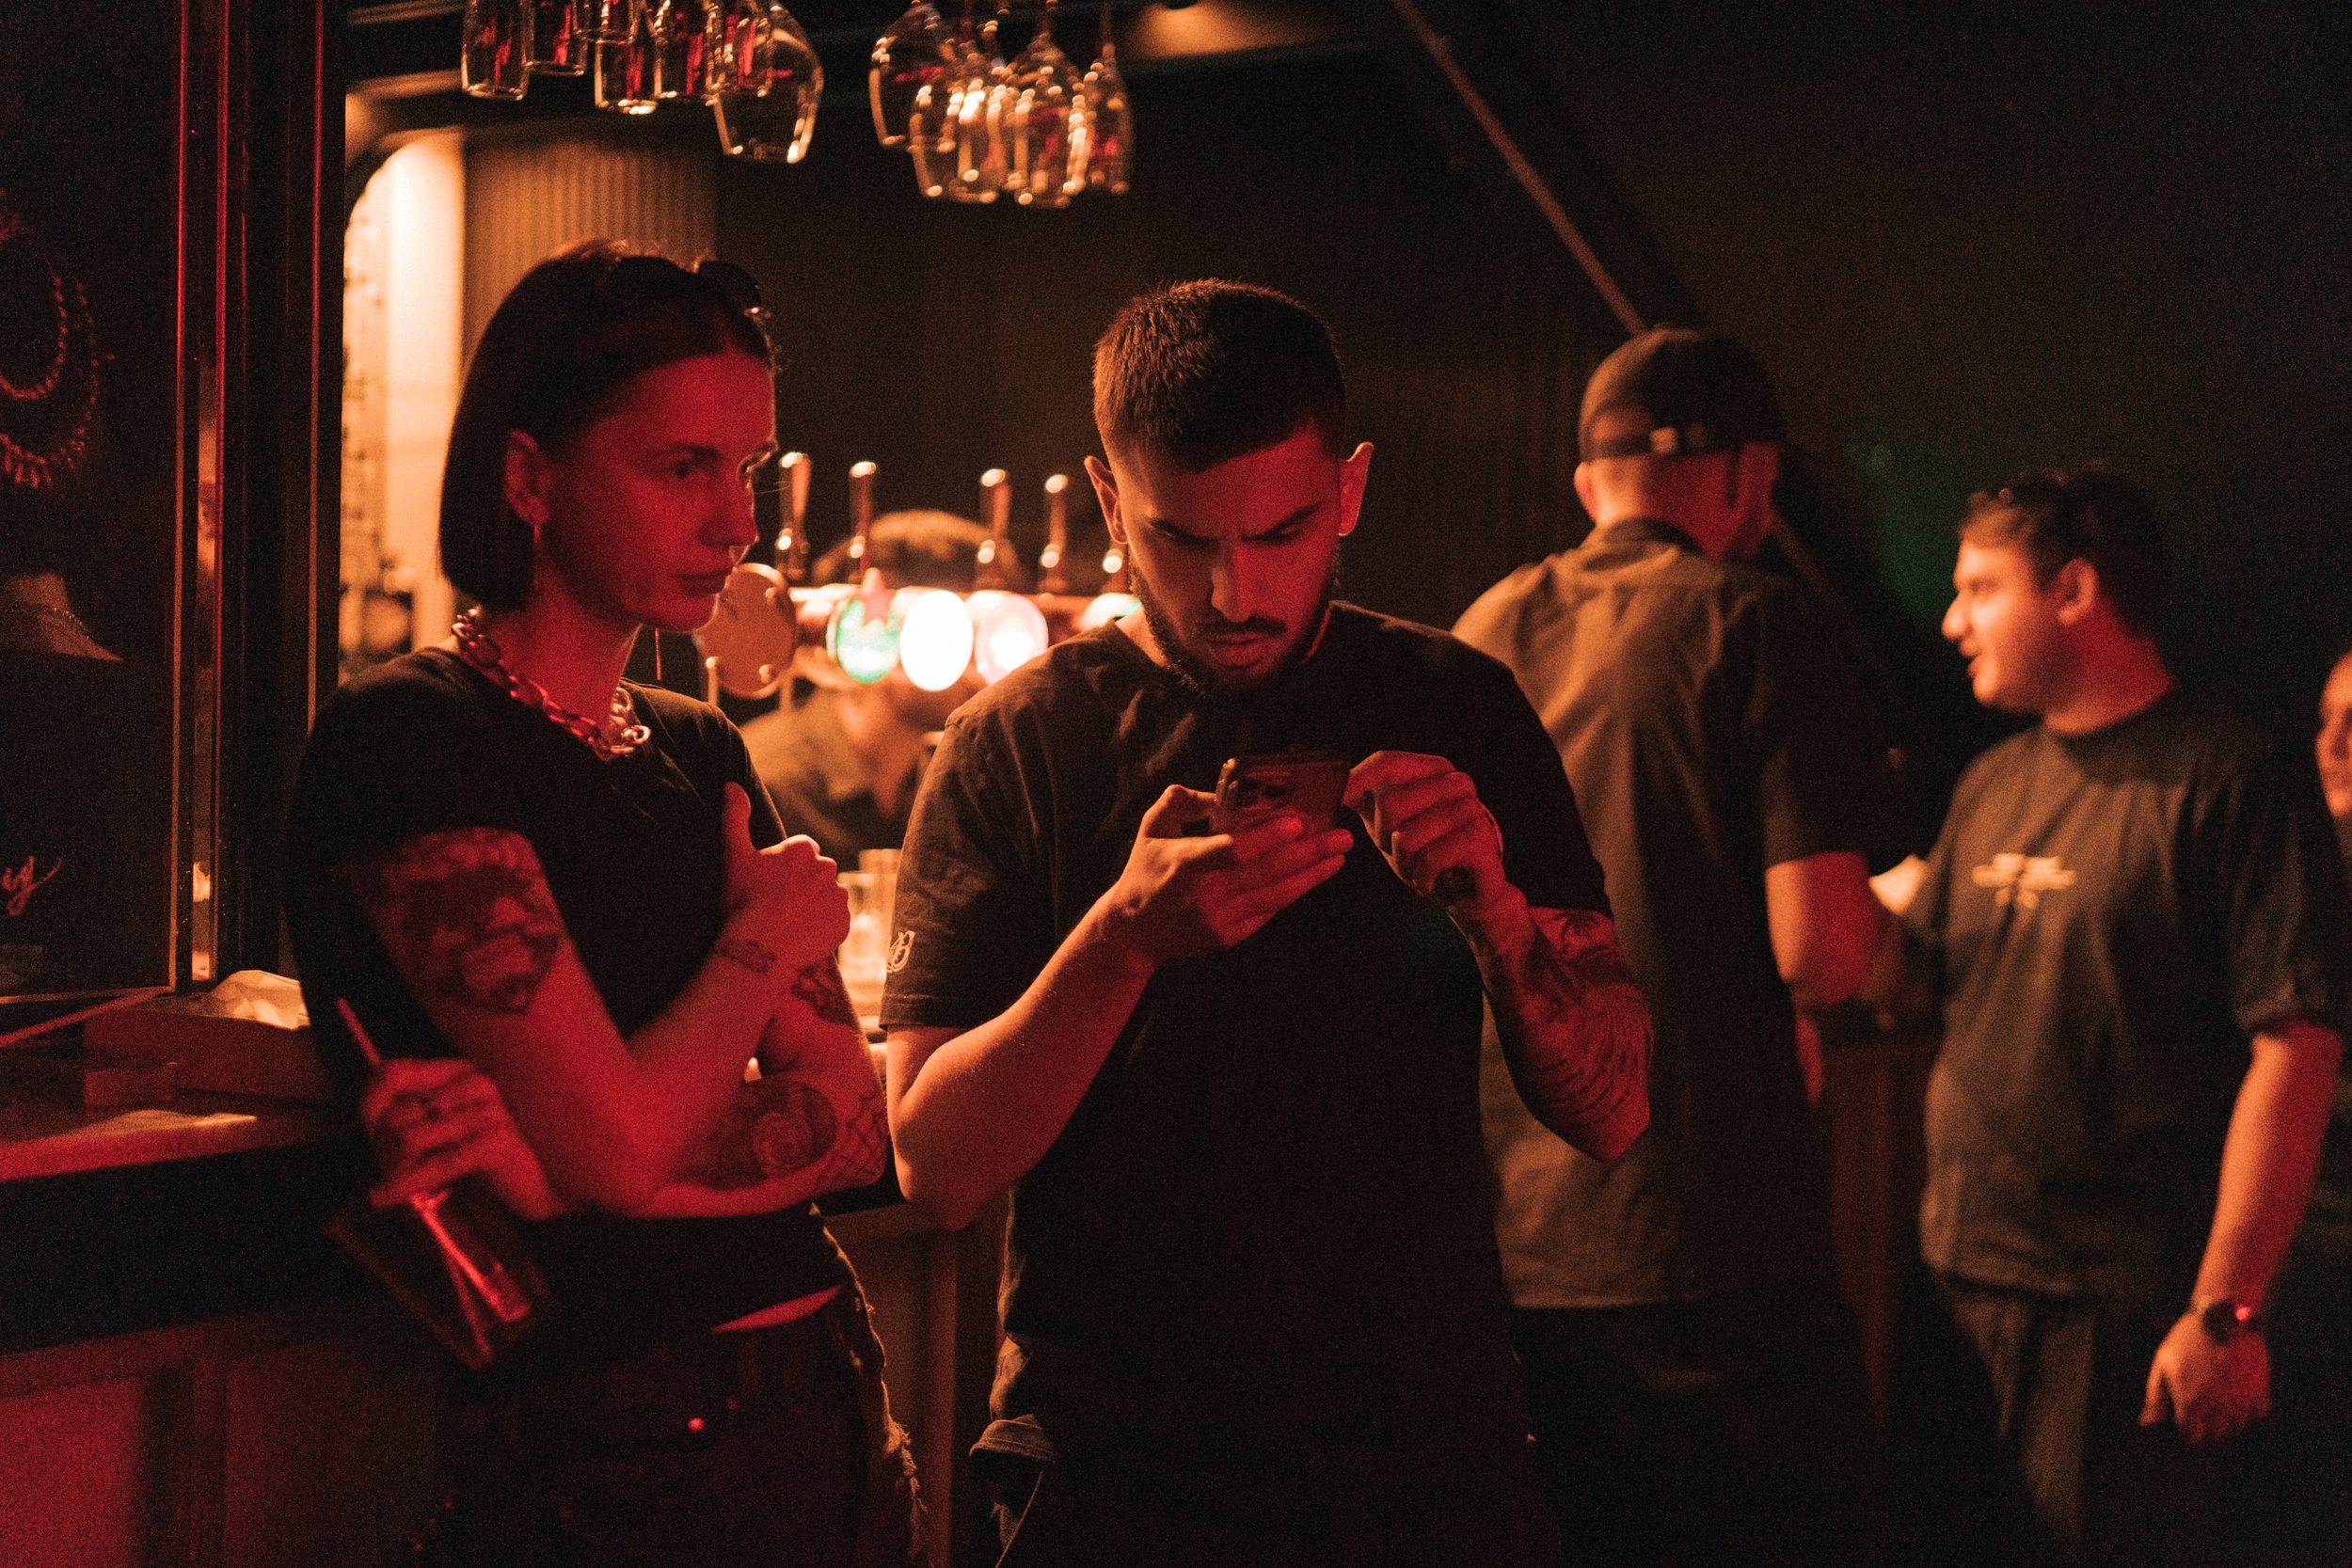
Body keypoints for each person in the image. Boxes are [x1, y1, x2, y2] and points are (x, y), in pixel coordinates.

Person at [881, 279, 1654, 1566]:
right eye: (1180, 539)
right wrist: (1121, 939)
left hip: (1425, 1459)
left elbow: (1616, 1108)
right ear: (1110, 494)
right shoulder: (1017, 743)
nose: (1233, 588)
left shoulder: (1456, 704)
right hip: (1114, 1469)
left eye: (1280, 532)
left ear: (1347, 490)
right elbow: (938, 1164)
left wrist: (1500, 914)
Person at [282, 243, 925, 1568]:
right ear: (530, 477)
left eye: (746, 468)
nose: (736, 521)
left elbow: (858, 1128)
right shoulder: (411, 737)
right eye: (683, 466)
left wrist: (569, 1170)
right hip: (618, 1448)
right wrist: (758, 949)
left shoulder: (699, 748)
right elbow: (629, 1145)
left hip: (836, 1396)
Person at [1453, 325, 1899, 1566]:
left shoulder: (1484, 628)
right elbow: (1823, 949)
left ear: (1591, 481)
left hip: (1516, 1237)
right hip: (1707, 1237)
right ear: (1746, 473)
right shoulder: (1759, 624)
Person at [1881, 468, 2351, 1566]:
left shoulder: (2232, 780)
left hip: (2116, 1310)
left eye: (1979, 586)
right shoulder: (1992, 780)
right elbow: (1906, 979)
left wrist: (2225, 1311)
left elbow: (2296, 1049)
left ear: (2075, 589)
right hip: (1957, 1280)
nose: (1951, 620)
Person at [741, 511, 996, 863]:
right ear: (873, 634)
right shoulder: (765, 782)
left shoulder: (954, 788)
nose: (978, 670)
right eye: (952, 637)